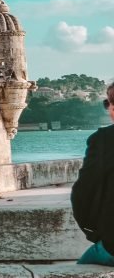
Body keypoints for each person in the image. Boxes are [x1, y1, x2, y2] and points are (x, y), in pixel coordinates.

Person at [71, 82, 114, 266]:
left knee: (80, 270)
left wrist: (96, 233)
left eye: (109, 103)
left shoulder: (104, 140)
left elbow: (83, 194)